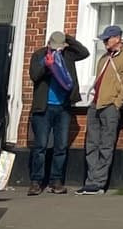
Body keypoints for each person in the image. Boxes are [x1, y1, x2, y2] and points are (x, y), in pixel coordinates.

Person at [27, 29, 90, 195]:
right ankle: (36, 181)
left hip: (63, 107)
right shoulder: (39, 54)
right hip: (44, 107)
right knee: (40, 146)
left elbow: (84, 53)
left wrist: (67, 38)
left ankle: (56, 181)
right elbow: (34, 75)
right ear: (48, 44)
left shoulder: (68, 55)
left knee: (61, 146)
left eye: (59, 47)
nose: (56, 50)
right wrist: (46, 66)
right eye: (54, 47)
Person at [80, 24, 123, 194]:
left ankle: (99, 182)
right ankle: (90, 180)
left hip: (110, 105)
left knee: (106, 145)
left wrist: (117, 103)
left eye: (107, 39)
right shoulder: (103, 58)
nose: (104, 42)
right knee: (91, 144)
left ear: (117, 38)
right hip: (96, 104)